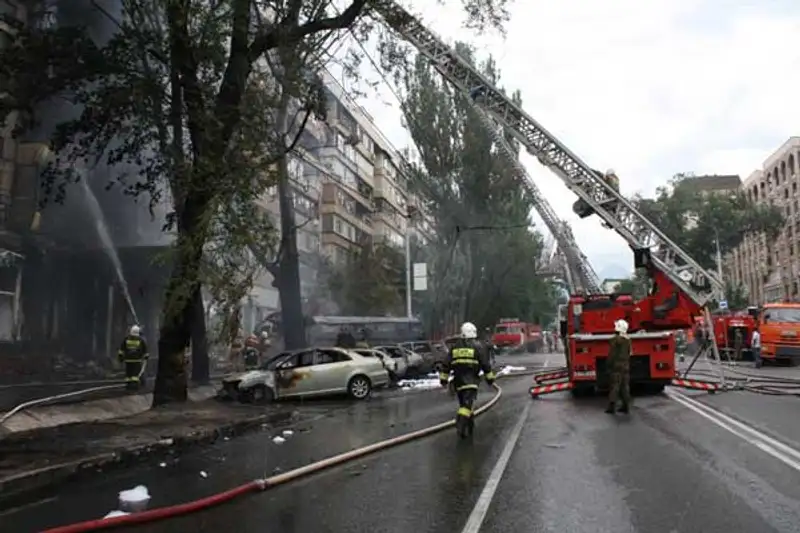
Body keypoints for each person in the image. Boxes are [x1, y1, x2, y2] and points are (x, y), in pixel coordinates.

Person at [439, 321, 496, 438]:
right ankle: (460, 425)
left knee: (464, 404)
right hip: (471, 381)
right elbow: (485, 364)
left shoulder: (454, 347)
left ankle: (469, 425)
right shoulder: (478, 346)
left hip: (458, 382)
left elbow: (446, 364)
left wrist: (443, 379)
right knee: (466, 406)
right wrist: (490, 379)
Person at [605, 319, 631, 414]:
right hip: (625, 365)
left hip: (616, 366)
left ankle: (611, 407)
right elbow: (629, 353)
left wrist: (608, 365)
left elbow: (612, 355)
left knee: (615, 386)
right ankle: (626, 406)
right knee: (625, 386)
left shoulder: (614, 341)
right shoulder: (628, 340)